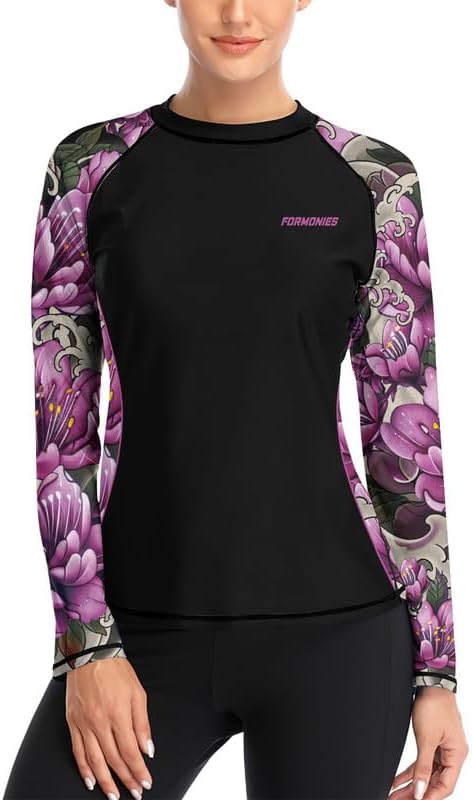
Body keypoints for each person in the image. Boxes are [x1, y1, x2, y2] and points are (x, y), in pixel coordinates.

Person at [3, 1, 468, 798]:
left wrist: (437, 675)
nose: (238, 12)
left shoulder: (375, 179)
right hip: (138, 630)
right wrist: (86, 646)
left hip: (341, 634)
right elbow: (61, 434)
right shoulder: (89, 168)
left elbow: (403, 442)